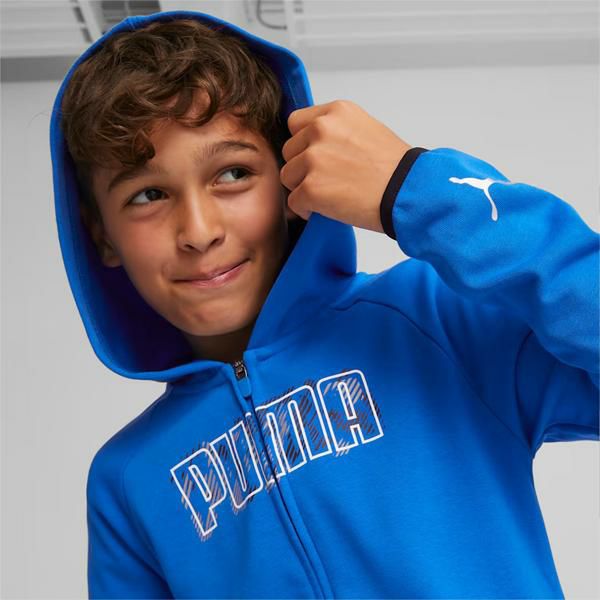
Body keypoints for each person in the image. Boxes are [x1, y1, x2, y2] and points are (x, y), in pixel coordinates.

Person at [49, 9, 599, 600]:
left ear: (293, 181)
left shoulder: (435, 323)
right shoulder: (128, 482)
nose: (200, 231)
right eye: (149, 194)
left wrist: (410, 186)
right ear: (102, 236)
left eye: (232, 174)